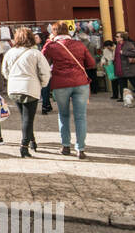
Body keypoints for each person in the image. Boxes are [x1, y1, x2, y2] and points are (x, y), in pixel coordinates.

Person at [42, 21, 97, 159]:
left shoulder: (52, 46)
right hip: (80, 83)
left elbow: (42, 62)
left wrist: (48, 42)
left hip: (60, 83)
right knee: (80, 117)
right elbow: (91, 63)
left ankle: (66, 146)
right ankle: (81, 149)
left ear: (54, 32)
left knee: (63, 115)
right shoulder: (79, 44)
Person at [2, 27, 51, 158]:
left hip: (14, 88)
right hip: (30, 88)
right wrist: (42, 84)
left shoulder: (10, 52)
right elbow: (45, 72)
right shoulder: (35, 53)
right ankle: (24, 145)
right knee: (28, 118)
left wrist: (12, 80)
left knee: (25, 116)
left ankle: (32, 141)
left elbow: (5, 71)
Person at [111, 31, 135, 103]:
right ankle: (123, 97)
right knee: (122, 84)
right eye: (116, 37)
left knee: (134, 82)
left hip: (128, 67)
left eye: (117, 37)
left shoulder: (128, 44)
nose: (116, 38)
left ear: (122, 38)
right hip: (120, 67)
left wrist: (123, 52)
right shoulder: (118, 45)